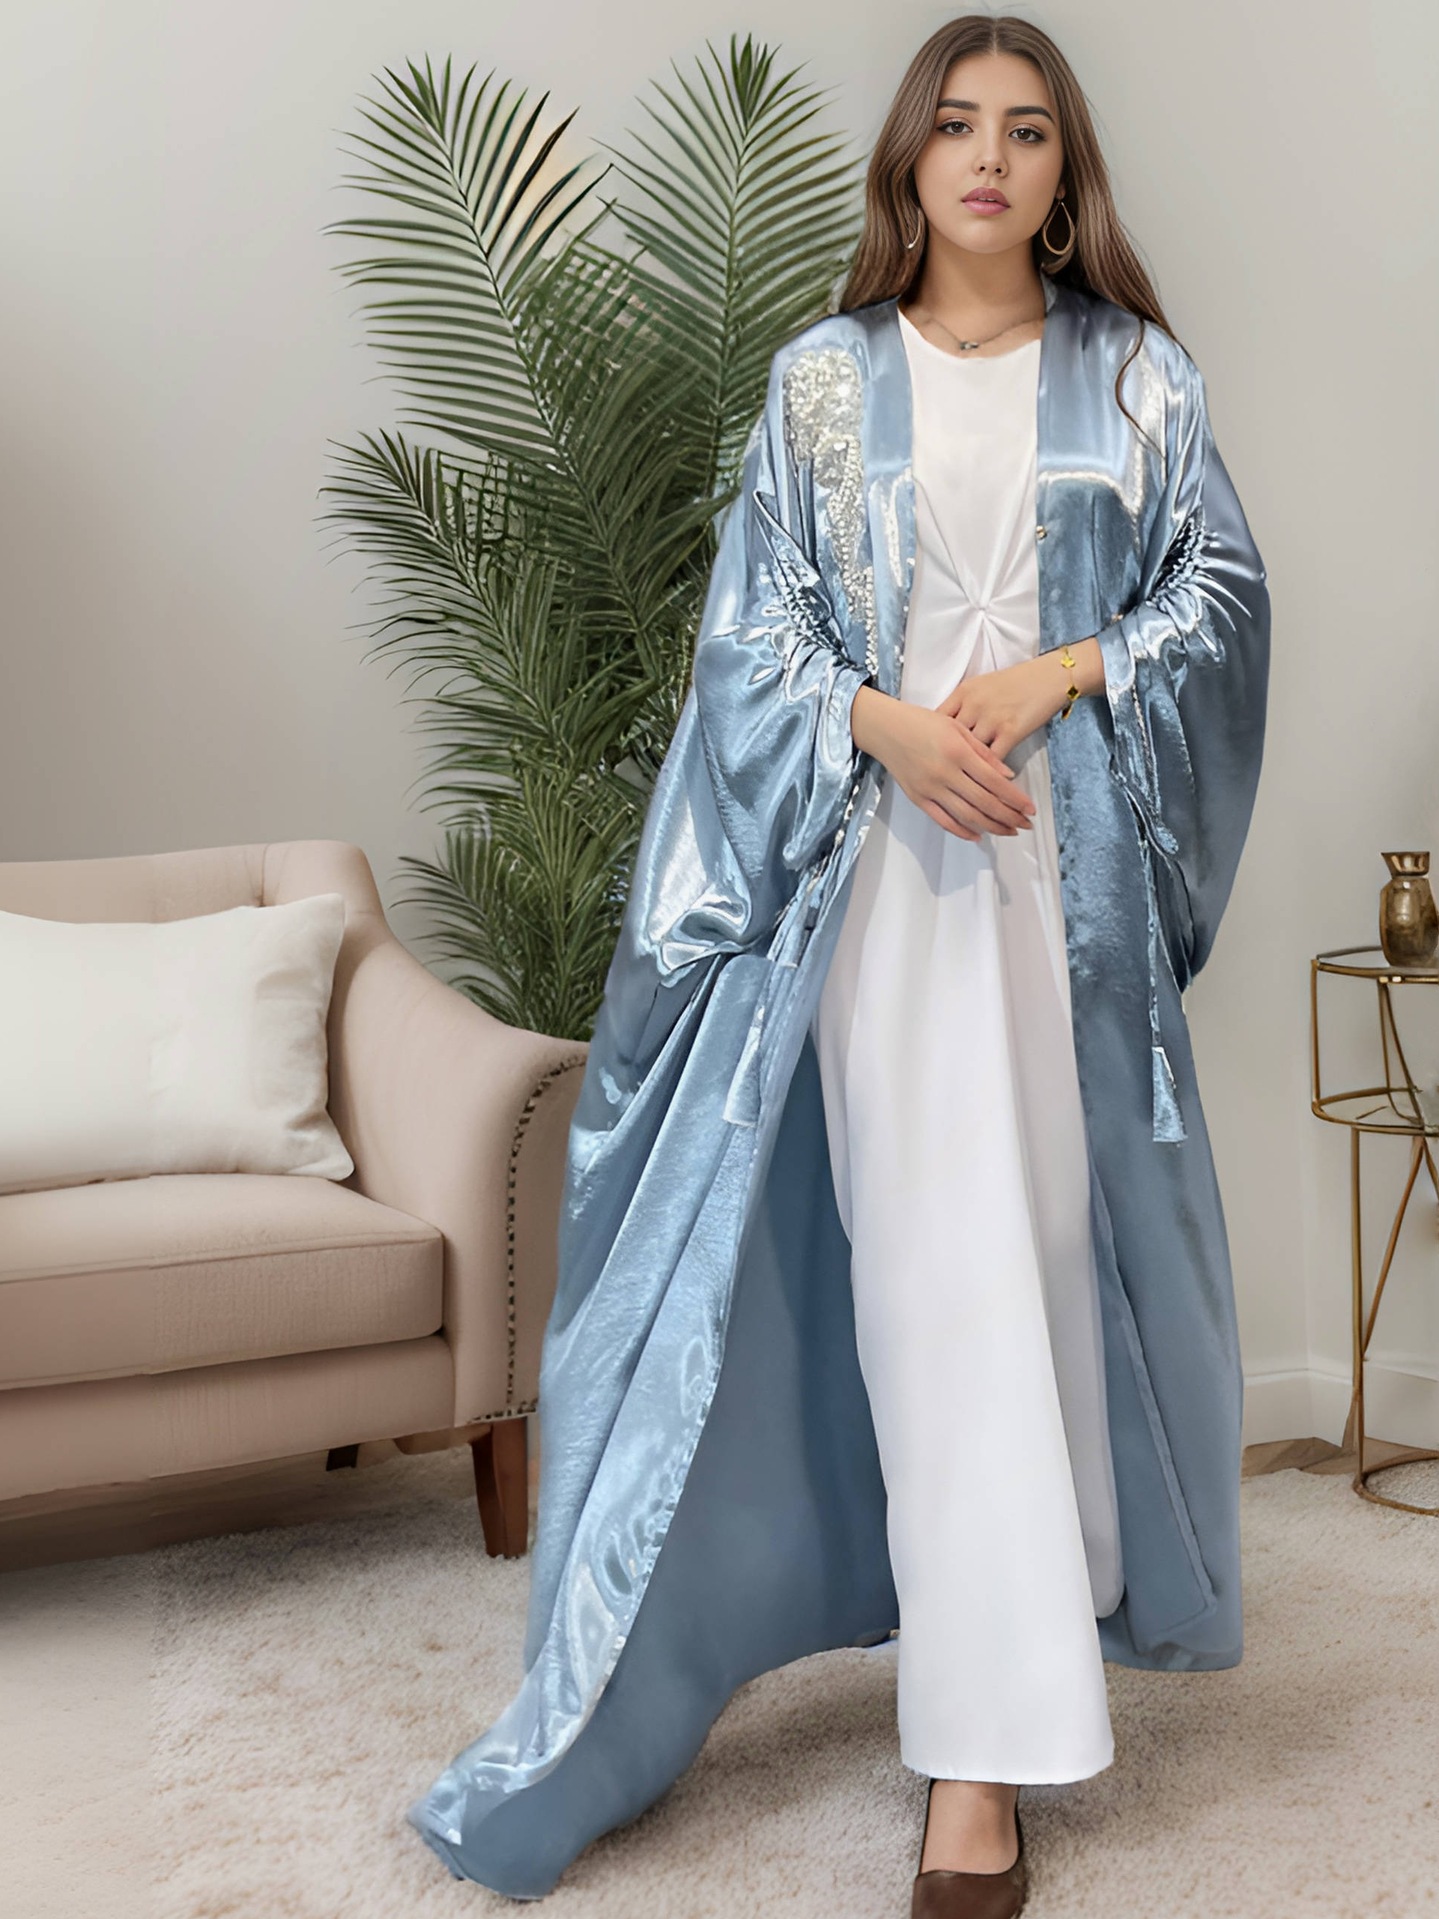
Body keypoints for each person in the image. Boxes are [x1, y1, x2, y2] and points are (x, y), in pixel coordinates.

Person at [407, 16, 1271, 1916]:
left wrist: (1061, 672)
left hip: (1060, 903)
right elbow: (754, 637)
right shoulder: (823, 380)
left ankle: (1027, 1649)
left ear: (1066, 173)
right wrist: (882, 726)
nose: (990, 158)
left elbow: (1219, 598)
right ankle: (978, 1763)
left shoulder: (1137, 378)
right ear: (909, 162)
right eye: (956, 125)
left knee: (1044, 1273)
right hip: (884, 902)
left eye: (1027, 131)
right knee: (936, 1289)